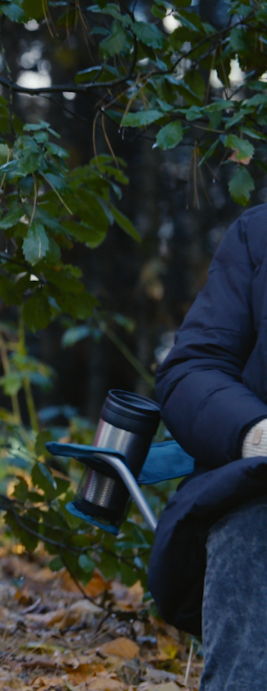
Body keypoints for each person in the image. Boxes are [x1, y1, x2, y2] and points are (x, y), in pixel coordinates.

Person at [151, 206, 267, 690]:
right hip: (260, 489)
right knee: (251, 524)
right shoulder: (258, 235)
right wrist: (256, 434)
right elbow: (193, 369)